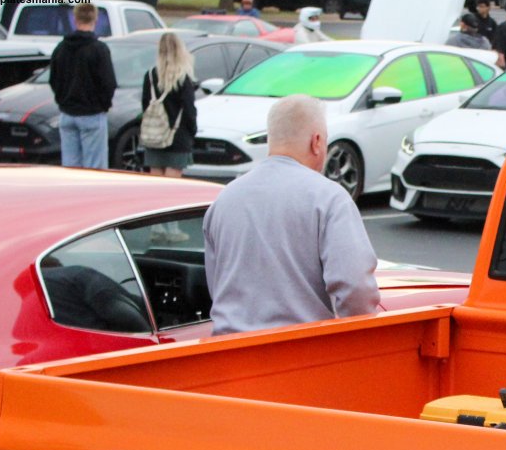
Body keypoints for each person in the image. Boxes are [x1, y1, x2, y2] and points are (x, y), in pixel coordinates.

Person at [204, 95, 379, 336]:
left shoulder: (224, 199)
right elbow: (356, 288)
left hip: (228, 354)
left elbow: (218, 285)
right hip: (298, 355)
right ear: (316, 142)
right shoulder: (329, 198)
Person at [49, 1, 116, 169]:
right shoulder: (99, 49)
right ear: (95, 18)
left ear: (75, 18)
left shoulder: (61, 48)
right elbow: (108, 83)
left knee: (70, 167)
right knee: (94, 168)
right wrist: (103, 105)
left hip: (67, 113)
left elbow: (54, 79)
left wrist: (62, 100)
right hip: (92, 113)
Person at [140, 32, 197, 180]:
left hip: (154, 135)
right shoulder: (183, 78)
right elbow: (189, 110)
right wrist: (192, 131)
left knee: (155, 181)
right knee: (172, 184)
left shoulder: (151, 76)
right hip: (178, 136)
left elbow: (145, 106)